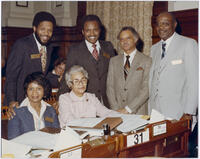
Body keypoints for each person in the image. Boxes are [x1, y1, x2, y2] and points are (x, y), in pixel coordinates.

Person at [148, 12, 198, 123]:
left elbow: (194, 81)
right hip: (156, 113)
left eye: (165, 24)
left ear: (174, 25)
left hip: (179, 113)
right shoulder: (154, 49)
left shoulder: (188, 44)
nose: (161, 28)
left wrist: (188, 112)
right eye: (158, 24)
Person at [58, 14, 116, 108]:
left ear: (100, 31)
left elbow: (114, 74)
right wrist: (60, 99)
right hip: (85, 102)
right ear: (83, 32)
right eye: (88, 30)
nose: (92, 34)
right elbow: (67, 76)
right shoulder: (75, 50)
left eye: (95, 29)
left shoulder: (108, 47)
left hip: (107, 101)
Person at [4, 11, 56, 115]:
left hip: (36, 101)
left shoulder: (49, 47)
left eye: (50, 30)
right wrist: (12, 101)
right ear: (35, 28)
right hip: (19, 102)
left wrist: (58, 78)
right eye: (43, 29)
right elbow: (11, 76)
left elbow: (42, 74)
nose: (46, 33)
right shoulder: (22, 45)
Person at [106, 26, 152, 115]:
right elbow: (110, 87)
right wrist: (116, 110)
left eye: (128, 38)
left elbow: (146, 89)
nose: (124, 42)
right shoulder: (113, 61)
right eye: (121, 39)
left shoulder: (146, 61)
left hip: (138, 112)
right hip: (117, 112)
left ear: (135, 39)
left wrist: (128, 109)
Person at [8, 72, 60, 140]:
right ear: (26, 91)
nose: (34, 92)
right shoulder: (16, 112)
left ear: (44, 91)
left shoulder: (51, 110)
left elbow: (57, 133)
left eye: (39, 89)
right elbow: (13, 139)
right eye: (31, 89)